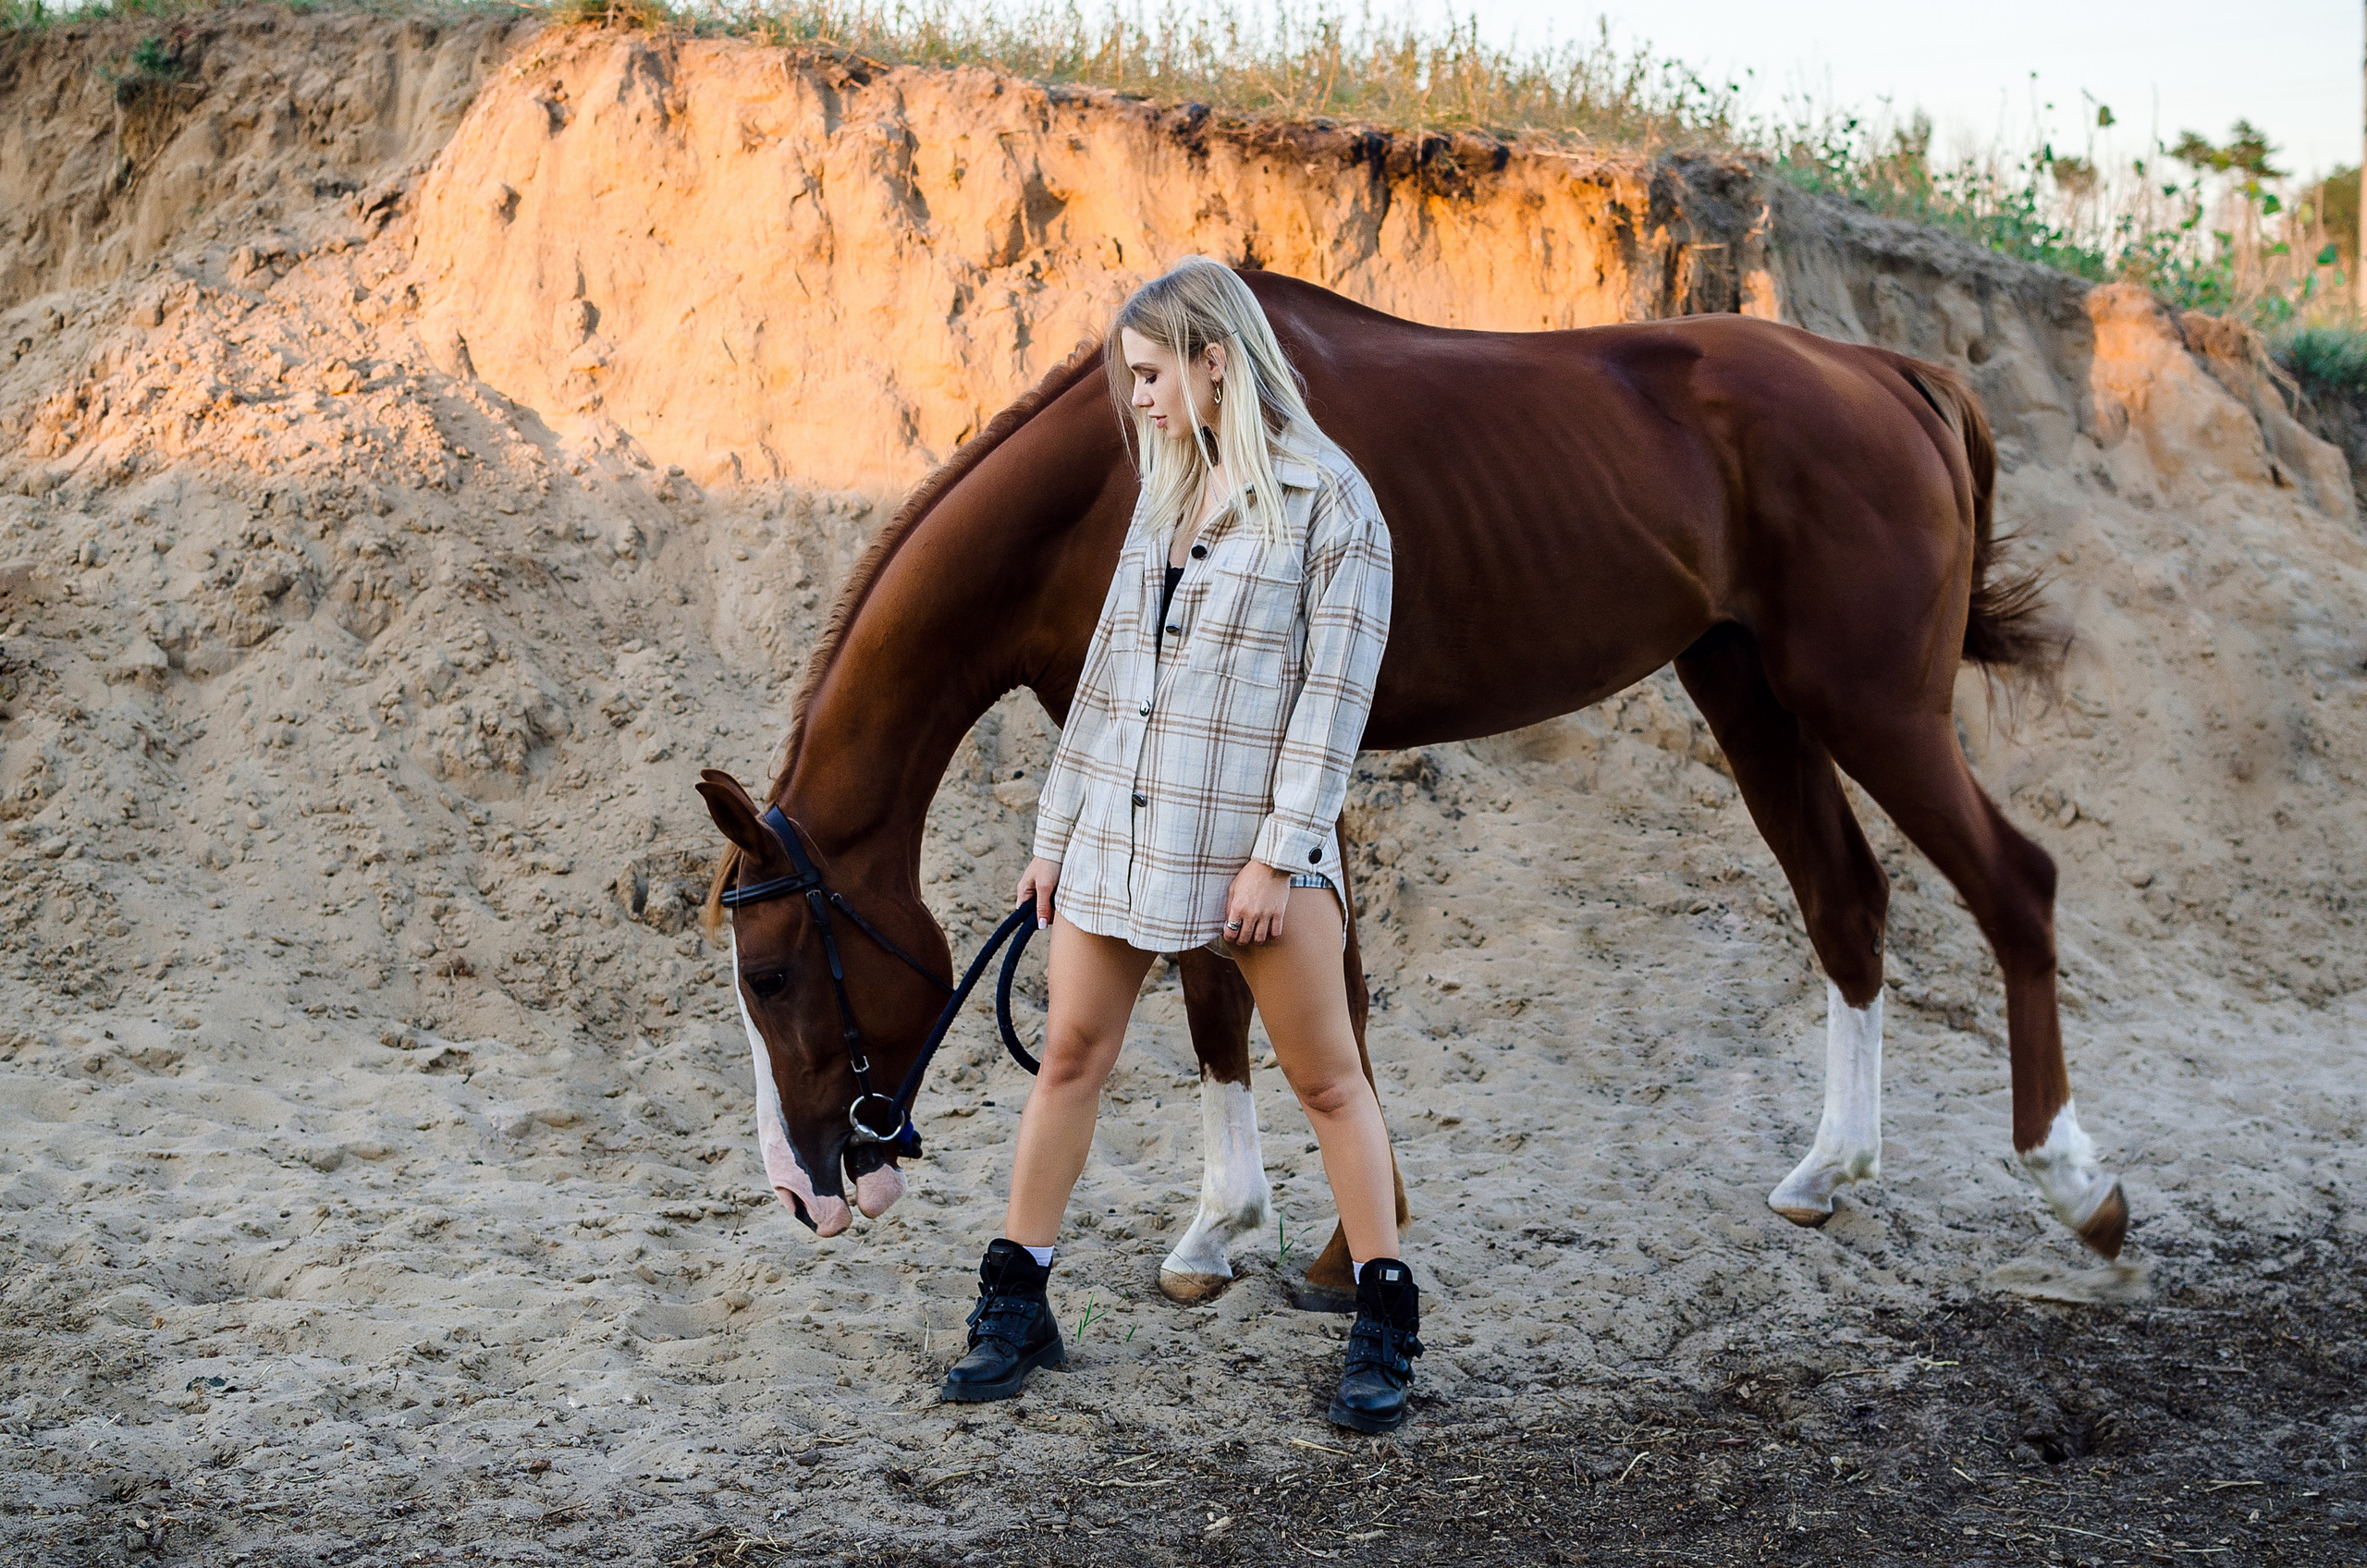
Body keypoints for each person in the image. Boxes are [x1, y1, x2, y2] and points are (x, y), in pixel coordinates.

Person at [937, 257, 1415, 1433]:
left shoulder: (1333, 505)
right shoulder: (1167, 491)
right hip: (1120, 832)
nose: (1137, 400)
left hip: (1254, 852)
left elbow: (1332, 703)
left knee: (1326, 1079)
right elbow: (1105, 683)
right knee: (1069, 1059)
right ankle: (1018, 1303)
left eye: (1150, 375)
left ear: (1215, 360)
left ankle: (1385, 1316)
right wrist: (1055, 836)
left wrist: (1280, 853)